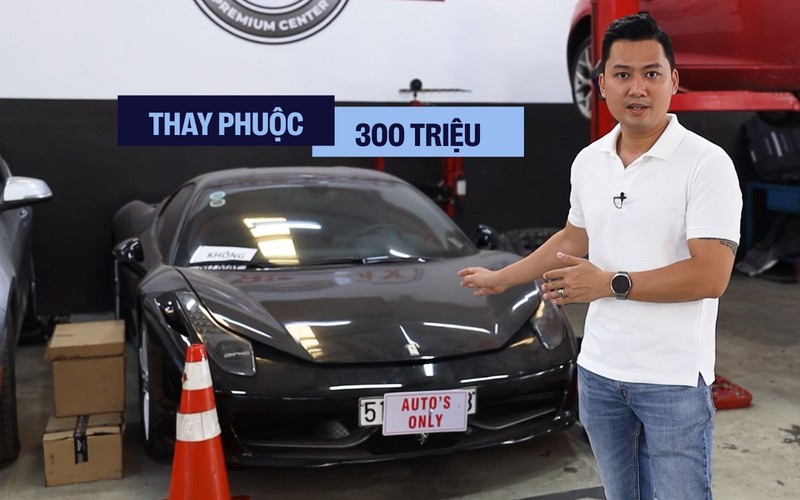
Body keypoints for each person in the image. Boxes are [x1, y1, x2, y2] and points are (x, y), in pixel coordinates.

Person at [458, 13, 742, 500]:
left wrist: (609, 283)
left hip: (672, 379)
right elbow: (573, 238)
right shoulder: (590, 161)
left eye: (652, 73)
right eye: (623, 74)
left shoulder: (706, 164)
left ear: (674, 81)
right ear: (602, 83)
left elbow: (710, 275)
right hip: (600, 373)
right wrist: (503, 278)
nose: (638, 88)